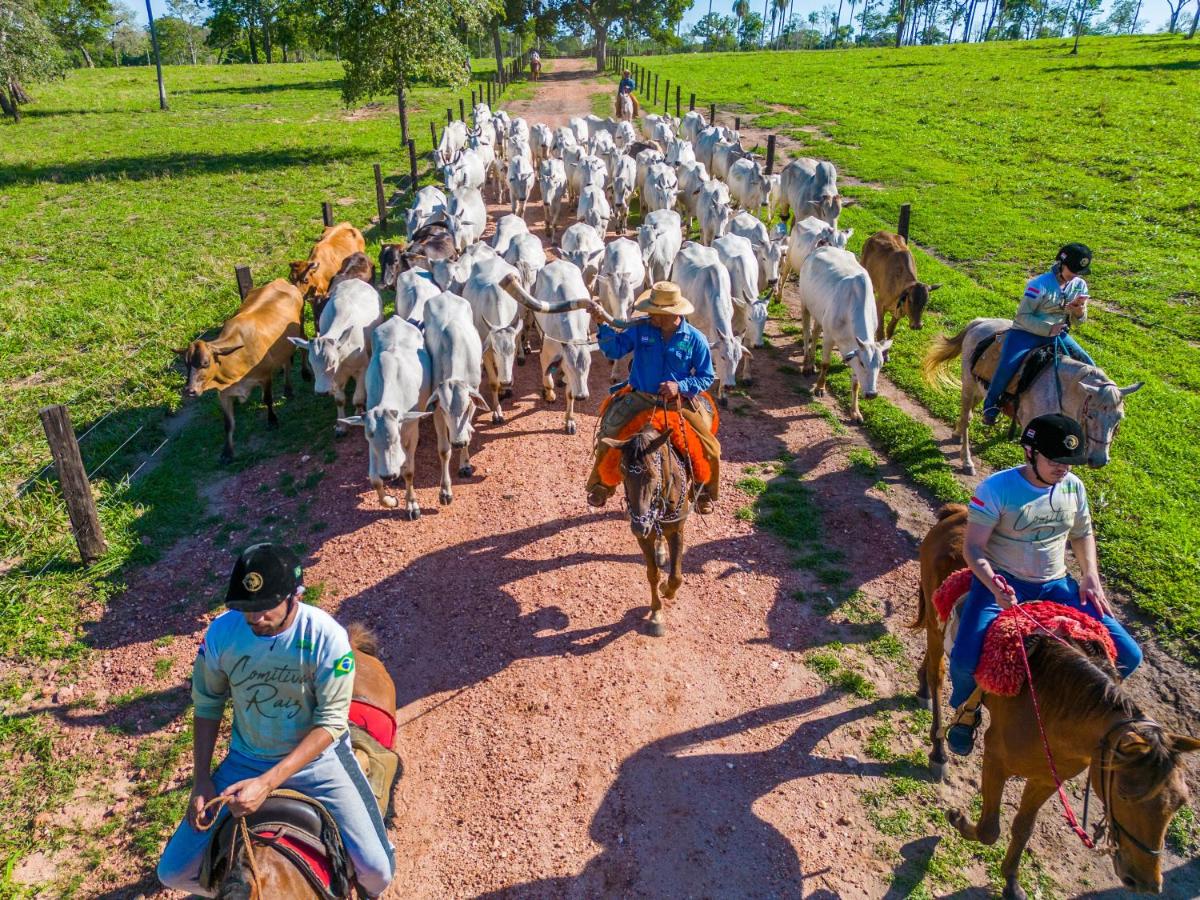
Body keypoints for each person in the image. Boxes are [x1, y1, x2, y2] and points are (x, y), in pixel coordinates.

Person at [157, 544, 395, 897]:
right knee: (172, 872)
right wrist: (201, 779)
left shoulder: (326, 638)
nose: (254, 619)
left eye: (265, 608)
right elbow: (207, 704)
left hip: (320, 764)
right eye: (246, 609)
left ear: (294, 596)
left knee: (378, 872)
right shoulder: (222, 634)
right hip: (245, 759)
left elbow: (331, 723)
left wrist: (267, 784)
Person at [945, 414, 1141, 755]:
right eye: (1055, 460)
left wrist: (1090, 575)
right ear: (1029, 452)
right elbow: (973, 548)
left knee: (1129, 654)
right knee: (963, 660)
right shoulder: (996, 489)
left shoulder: (1073, 486)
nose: (1063, 469)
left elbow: (1082, 533)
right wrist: (993, 584)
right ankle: (967, 711)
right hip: (1003, 584)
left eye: (1068, 462)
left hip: (1057, 586)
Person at [585, 282, 721, 514]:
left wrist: (680, 386)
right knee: (608, 433)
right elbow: (614, 350)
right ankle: (601, 486)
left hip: (676, 404)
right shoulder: (641, 329)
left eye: (656, 313)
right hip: (640, 398)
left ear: (673, 314)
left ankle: (704, 492)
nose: (650, 315)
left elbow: (706, 377)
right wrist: (601, 323)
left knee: (711, 449)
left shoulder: (695, 339)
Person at [981, 243, 1096, 426]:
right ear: (1061, 264)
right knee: (1008, 365)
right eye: (1072, 270)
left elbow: (1080, 322)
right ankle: (991, 405)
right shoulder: (1038, 285)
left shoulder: (1080, 285)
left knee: (1089, 364)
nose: (1075, 275)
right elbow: (1022, 316)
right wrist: (1048, 329)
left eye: (1079, 272)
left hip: (1059, 334)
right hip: (1026, 333)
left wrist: (1079, 312)